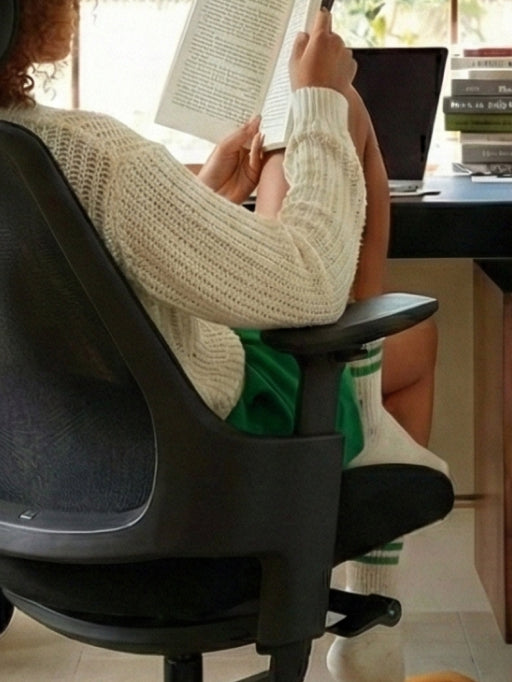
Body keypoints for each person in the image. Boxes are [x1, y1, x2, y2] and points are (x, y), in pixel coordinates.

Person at [0, 2, 451, 678]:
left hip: (41, 525)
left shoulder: (36, 160)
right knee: (346, 116)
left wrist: (205, 195)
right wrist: (320, 102)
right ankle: (365, 466)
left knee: (408, 351)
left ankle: (364, 418)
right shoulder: (92, 156)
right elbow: (312, 285)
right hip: (199, 489)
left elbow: (74, 300)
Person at [255, 88, 449, 682]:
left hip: (121, 466)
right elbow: (318, 281)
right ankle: (374, 598)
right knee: (370, 331)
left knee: (409, 343)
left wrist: (215, 184)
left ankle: (371, 598)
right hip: (253, 407)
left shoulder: (50, 160)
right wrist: (333, 102)